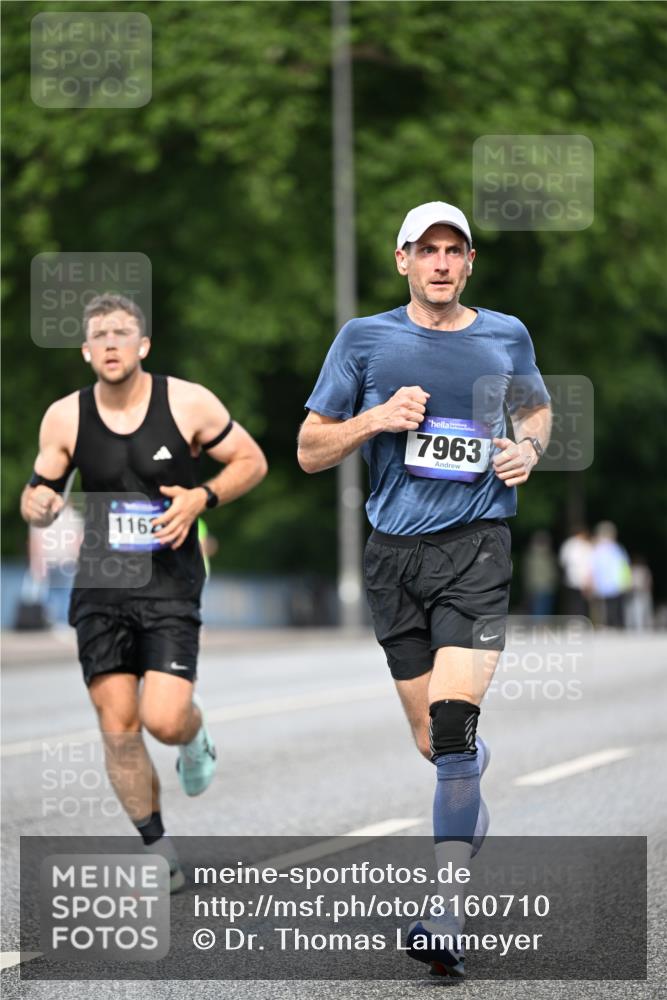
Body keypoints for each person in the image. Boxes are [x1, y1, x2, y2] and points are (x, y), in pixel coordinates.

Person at [297, 202, 551, 976]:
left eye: (454, 250)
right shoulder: (364, 339)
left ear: (469, 261)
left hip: (476, 549)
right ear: (401, 259)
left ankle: (446, 914)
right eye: (426, 249)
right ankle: (463, 789)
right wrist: (373, 420)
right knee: (434, 743)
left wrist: (528, 451)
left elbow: (535, 410)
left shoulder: (504, 333)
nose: (440, 262)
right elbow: (309, 450)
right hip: (392, 558)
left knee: (449, 725)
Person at [21, 293, 267, 890]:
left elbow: (252, 461)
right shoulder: (64, 417)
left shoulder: (187, 403)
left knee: (162, 717)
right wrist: (38, 504)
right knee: (118, 724)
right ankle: (159, 847)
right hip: (101, 587)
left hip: (169, 583)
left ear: (143, 344)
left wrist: (201, 498)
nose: (110, 343)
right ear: (85, 351)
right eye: (99, 335)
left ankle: (193, 732)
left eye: (121, 332)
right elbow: (40, 492)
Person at [590, 521, 630, 629]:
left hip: (613, 583)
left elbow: (623, 566)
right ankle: (610, 624)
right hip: (608, 583)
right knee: (610, 606)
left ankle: (611, 624)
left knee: (611, 606)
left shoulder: (613, 548)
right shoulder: (612, 548)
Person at [558, 526, 593, 618]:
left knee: (572, 601)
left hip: (571, 578)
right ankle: (582, 618)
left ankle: (573, 619)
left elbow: (563, 561)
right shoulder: (586, 545)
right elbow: (590, 564)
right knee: (582, 601)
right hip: (583, 579)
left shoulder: (568, 544)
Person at [523, 530, 558, 618]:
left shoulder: (533, 555)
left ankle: (541, 627)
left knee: (544, 609)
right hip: (539, 586)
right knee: (540, 610)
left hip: (545, 586)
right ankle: (539, 628)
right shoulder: (539, 556)